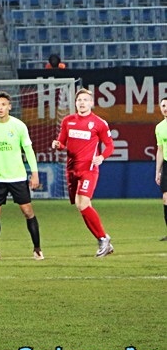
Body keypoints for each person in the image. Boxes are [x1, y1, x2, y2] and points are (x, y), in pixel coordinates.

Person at [0, 92, 43, 261]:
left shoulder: (19, 126)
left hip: (17, 177)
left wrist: (34, 173)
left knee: (27, 211)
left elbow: (28, 150)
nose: (0, 108)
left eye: (3, 104)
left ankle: (37, 249)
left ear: (9, 107)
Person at [51, 88, 115, 258]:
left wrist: (101, 157)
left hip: (89, 169)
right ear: (76, 103)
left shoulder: (99, 123)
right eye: (79, 100)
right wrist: (58, 145)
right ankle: (103, 238)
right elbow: (63, 143)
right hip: (71, 169)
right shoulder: (68, 121)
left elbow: (109, 145)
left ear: (91, 103)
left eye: (86, 100)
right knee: (81, 206)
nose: (82, 102)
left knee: (84, 203)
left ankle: (103, 239)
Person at [153, 97, 167, 241]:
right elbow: (160, 150)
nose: (165, 108)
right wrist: (158, 171)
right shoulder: (159, 127)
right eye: (163, 105)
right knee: (166, 198)